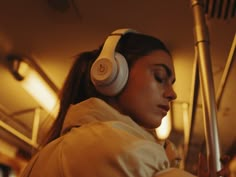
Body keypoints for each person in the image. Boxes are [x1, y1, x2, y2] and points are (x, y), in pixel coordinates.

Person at [20, 28, 199, 177]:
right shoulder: (122, 150)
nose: (172, 94)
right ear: (114, 76)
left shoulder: (51, 152)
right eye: (159, 77)